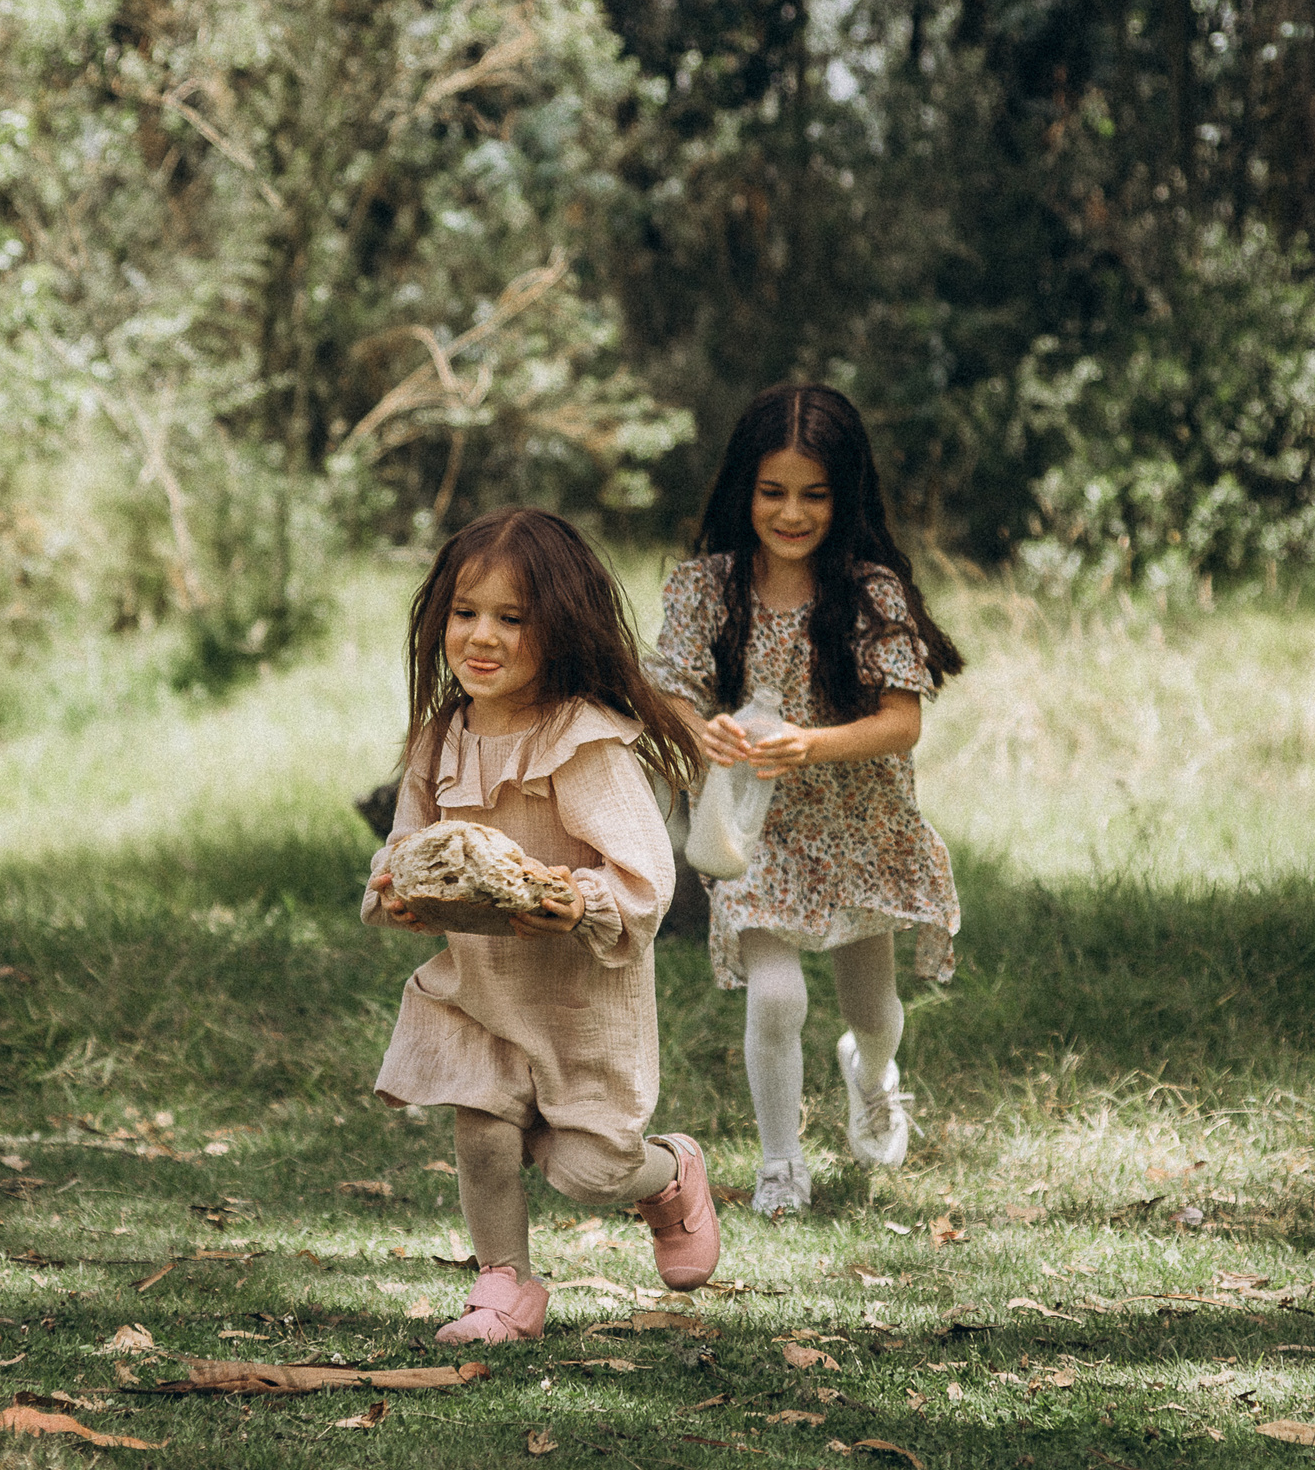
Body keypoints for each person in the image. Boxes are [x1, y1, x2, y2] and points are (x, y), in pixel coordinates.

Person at [363, 507, 715, 1346]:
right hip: (478, 988)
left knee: (589, 1172)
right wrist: (399, 893)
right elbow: (406, 846)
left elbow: (645, 873)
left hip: (576, 997)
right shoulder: (441, 737)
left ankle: (670, 1174)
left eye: (512, 619)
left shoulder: (581, 740)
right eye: (465, 612)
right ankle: (506, 1287)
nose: (482, 637)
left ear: (560, 628)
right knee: (482, 1135)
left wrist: (582, 900)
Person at [654, 384, 965, 1215]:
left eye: (814, 494)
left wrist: (811, 744)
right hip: (753, 827)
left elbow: (902, 723)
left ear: (844, 495)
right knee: (777, 996)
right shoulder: (706, 588)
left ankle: (872, 1072)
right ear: (744, 490)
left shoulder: (869, 593)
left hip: (857, 825)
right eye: (773, 491)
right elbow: (667, 690)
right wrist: (701, 732)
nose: (791, 513)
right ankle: (781, 1163)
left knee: (874, 1010)